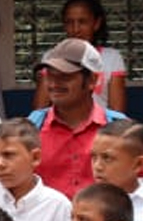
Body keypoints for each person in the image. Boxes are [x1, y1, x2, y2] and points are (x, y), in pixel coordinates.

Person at [28, 38, 128, 198]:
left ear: (92, 80)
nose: (54, 84)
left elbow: (135, 192)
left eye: (65, 76)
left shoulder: (119, 128)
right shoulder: (32, 127)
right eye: (50, 76)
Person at [31, 0, 129, 114]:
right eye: (69, 22)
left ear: (96, 23)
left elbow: (117, 111)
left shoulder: (112, 58)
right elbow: (40, 108)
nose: (75, 29)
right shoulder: (52, 57)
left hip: (101, 130)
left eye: (82, 22)